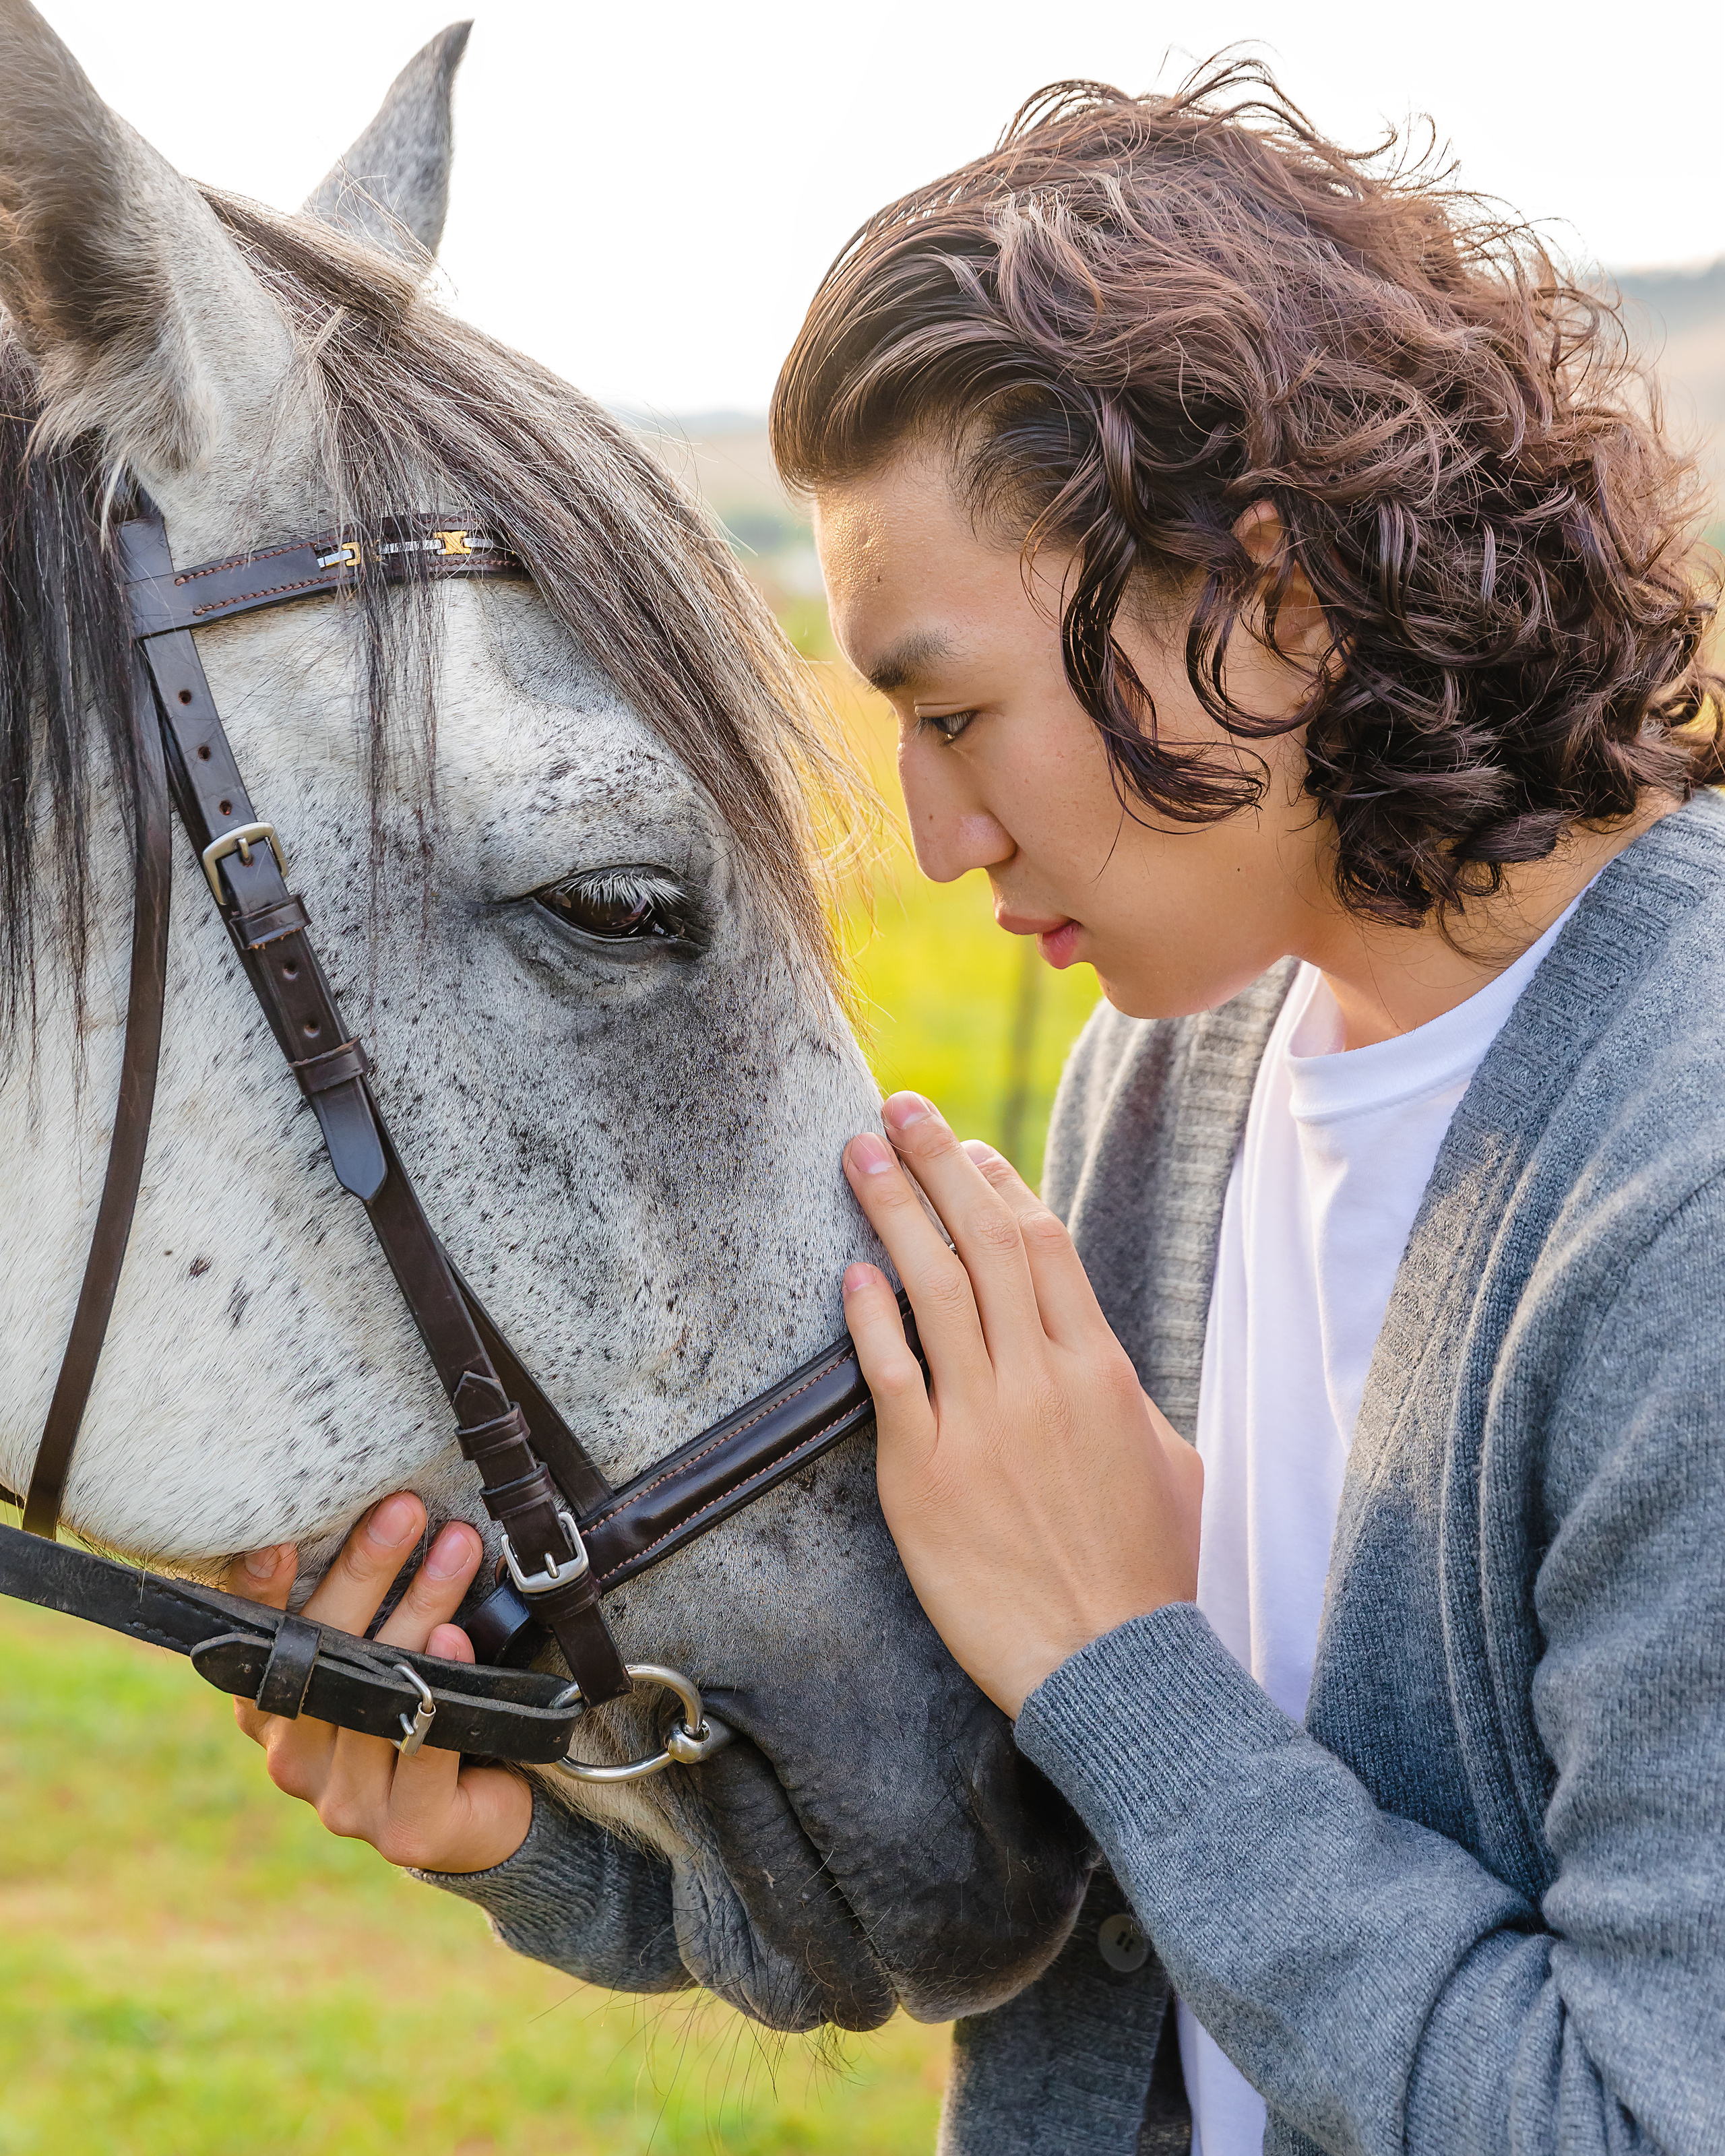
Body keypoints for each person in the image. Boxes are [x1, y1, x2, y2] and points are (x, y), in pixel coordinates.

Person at [227, 61, 1725, 2155]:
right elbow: (1042, 1888)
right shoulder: (1181, 1077)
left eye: (953, 712)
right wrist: (529, 1833)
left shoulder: (1679, 1206)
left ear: (1274, 606)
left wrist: (1117, 1654)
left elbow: (1634, 2113)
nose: (935, 836)